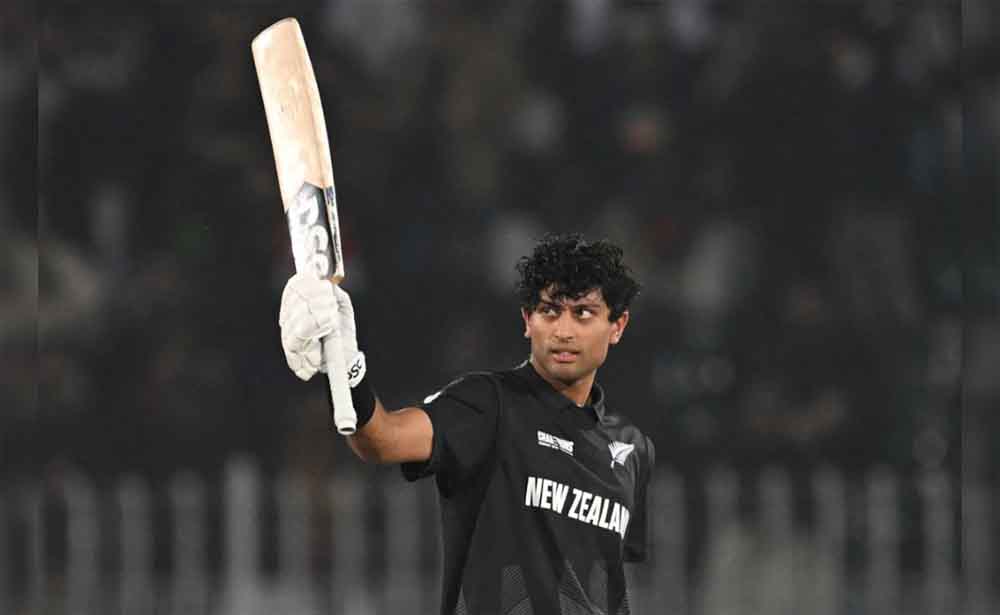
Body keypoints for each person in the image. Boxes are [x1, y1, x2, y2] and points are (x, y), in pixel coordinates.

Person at [279, 233, 654, 615]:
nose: (563, 331)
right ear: (528, 320)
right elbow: (381, 439)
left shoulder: (632, 449)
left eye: (583, 313)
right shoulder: (490, 404)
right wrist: (344, 366)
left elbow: (612, 584)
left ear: (617, 325)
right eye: (550, 311)